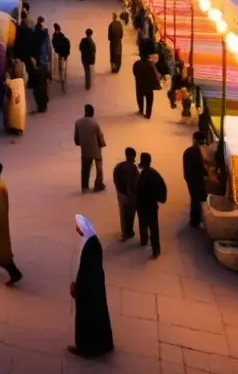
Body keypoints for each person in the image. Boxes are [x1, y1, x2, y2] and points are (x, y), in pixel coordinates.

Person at [68, 215, 114, 358]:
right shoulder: (91, 241)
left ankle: (86, 347)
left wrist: (78, 288)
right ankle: (103, 344)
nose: (76, 229)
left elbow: (87, 271)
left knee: (86, 318)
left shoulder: (89, 246)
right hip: (95, 290)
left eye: (78, 227)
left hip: (88, 291)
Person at [136, 153, 167, 259]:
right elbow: (162, 187)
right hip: (151, 205)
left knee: (144, 223)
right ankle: (156, 249)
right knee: (153, 227)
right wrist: (159, 199)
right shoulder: (154, 173)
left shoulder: (144, 174)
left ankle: (145, 241)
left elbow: (140, 190)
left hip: (144, 204)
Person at [73, 105, 106, 192]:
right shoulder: (95, 123)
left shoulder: (78, 122)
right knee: (99, 168)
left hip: (85, 149)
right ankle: (98, 185)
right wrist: (102, 144)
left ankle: (84, 186)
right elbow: (100, 136)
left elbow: (76, 138)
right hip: (96, 149)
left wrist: (80, 143)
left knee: (85, 168)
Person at [112, 148, 139, 241]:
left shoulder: (119, 166)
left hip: (121, 194)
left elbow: (115, 179)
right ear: (132, 156)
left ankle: (125, 232)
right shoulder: (134, 168)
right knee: (131, 214)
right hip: (132, 195)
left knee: (123, 213)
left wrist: (120, 190)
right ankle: (129, 231)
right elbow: (136, 182)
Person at [183, 132, 208, 229]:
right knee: (197, 200)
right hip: (195, 180)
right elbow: (200, 167)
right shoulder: (196, 153)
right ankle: (195, 221)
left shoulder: (188, 151)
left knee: (195, 199)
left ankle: (195, 220)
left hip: (191, 179)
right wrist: (207, 174)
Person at [132, 55, 160, 120]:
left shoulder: (137, 63)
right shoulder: (151, 65)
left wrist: (138, 77)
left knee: (140, 97)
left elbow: (134, 72)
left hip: (139, 84)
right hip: (148, 86)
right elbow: (155, 75)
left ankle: (141, 110)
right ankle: (148, 114)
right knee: (149, 100)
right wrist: (157, 85)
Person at [51, 23, 71, 89]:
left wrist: (56, 49)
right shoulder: (62, 35)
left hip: (60, 52)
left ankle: (61, 78)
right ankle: (63, 78)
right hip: (64, 53)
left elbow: (54, 44)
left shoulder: (55, 35)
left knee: (60, 65)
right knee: (62, 66)